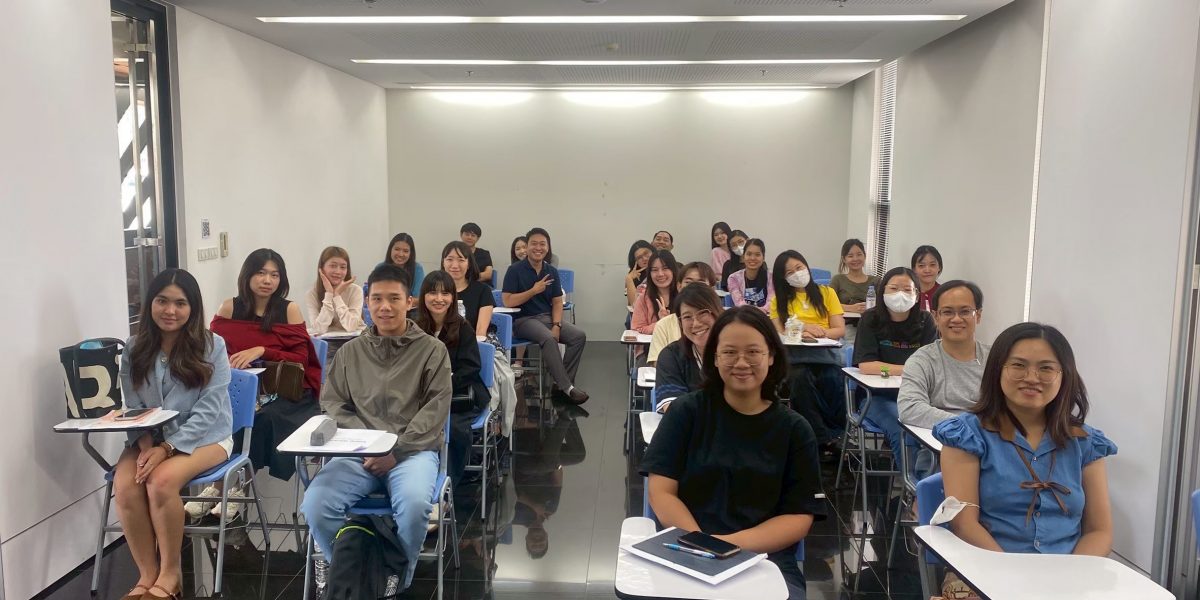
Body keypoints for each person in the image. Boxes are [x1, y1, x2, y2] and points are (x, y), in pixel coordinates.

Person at [642, 307, 825, 600]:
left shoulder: (795, 430)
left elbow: (798, 516)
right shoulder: (686, 412)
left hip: (763, 559)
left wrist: (727, 546)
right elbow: (661, 491)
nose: (741, 362)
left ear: (771, 356)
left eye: (753, 352)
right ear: (714, 357)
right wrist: (701, 543)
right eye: (729, 352)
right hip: (687, 548)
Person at [300, 264, 451, 594]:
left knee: (414, 508)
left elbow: (436, 409)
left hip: (411, 452)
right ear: (367, 303)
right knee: (316, 505)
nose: (385, 307)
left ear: (409, 301)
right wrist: (369, 443)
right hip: (360, 453)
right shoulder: (351, 352)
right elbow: (333, 404)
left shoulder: (431, 351)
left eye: (394, 298)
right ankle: (351, 572)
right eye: (377, 299)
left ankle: (394, 582)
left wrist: (396, 450)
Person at [935, 322, 1116, 556]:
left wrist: (1073, 573)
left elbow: (1099, 531)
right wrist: (1012, 573)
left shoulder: (1086, 443)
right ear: (998, 370)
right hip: (987, 564)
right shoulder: (967, 436)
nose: (1031, 378)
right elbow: (964, 524)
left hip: (1067, 571)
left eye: (1046, 368)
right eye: (1018, 365)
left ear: (1064, 375)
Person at [114, 268, 233, 600]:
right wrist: (146, 445)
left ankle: (170, 574)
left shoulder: (213, 346)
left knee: (161, 481)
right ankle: (146, 575)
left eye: (180, 303)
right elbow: (134, 404)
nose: (170, 310)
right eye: (162, 301)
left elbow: (209, 410)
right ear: (150, 304)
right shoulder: (134, 347)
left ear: (192, 308)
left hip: (207, 437)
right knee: (126, 485)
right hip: (147, 437)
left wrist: (166, 448)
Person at [204, 249, 322, 517]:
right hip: (240, 390)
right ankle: (217, 487)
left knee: (259, 418)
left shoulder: (289, 309)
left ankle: (235, 490)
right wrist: (235, 363)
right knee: (221, 413)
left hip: (286, 393)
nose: (267, 280)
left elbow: (301, 359)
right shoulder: (229, 308)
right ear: (247, 275)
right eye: (261, 273)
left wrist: (262, 351)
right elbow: (214, 354)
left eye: (274, 275)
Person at [853, 267, 938, 472]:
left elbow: (931, 365)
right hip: (876, 397)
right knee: (903, 428)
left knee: (939, 428)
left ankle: (931, 482)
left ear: (917, 294)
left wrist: (897, 370)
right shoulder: (870, 319)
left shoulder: (926, 321)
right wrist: (910, 370)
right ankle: (912, 485)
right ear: (882, 291)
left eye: (907, 289)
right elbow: (867, 365)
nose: (900, 294)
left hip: (918, 396)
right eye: (894, 288)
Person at [415, 270, 490, 486]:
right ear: (423, 296)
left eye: (445, 293)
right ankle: (419, 475)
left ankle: (448, 484)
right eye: (433, 293)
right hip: (423, 395)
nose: (439, 299)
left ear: (453, 297)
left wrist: (443, 385)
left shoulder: (463, 327)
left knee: (454, 429)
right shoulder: (415, 327)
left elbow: (471, 368)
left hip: (458, 393)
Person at [769, 250, 846, 456]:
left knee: (833, 379)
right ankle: (822, 438)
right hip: (795, 358)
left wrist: (818, 332)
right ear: (783, 278)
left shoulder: (827, 293)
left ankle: (833, 434)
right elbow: (779, 332)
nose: (796, 273)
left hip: (825, 355)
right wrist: (803, 329)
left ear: (806, 266)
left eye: (799, 267)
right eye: (789, 272)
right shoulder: (778, 301)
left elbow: (839, 329)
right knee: (800, 379)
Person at [503, 227, 589, 404]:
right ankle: (568, 388)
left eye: (542, 244)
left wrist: (557, 324)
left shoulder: (551, 271)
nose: (538, 248)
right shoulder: (514, 270)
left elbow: (557, 302)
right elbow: (508, 301)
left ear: (548, 248)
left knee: (578, 336)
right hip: (524, 320)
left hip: (547, 318)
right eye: (534, 244)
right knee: (548, 338)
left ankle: (561, 384)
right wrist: (533, 291)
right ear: (527, 247)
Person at [898, 280, 990, 429]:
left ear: (978, 315)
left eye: (965, 311)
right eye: (947, 312)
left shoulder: (995, 359)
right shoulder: (921, 361)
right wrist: (970, 425)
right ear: (936, 317)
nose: (956, 319)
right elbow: (909, 409)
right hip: (940, 438)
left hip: (989, 438)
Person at [653, 283, 722, 413]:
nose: (696, 323)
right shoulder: (671, 356)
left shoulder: (736, 351)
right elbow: (676, 411)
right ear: (680, 323)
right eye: (687, 317)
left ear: (718, 312)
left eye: (703, 313)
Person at [647, 262, 717, 364]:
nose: (694, 288)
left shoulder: (725, 322)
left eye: (701, 283)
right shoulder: (664, 324)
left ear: (712, 289)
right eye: (688, 282)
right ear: (679, 286)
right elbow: (656, 363)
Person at [304, 246, 365, 337]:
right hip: (327, 342)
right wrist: (329, 294)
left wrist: (337, 296)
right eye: (333, 266)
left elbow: (351, 326)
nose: (338, 271)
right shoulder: (312, 294)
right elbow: (318, 329)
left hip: (354, 340)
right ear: (321, 269)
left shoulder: (356, 290)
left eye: (343, 267)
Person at [442, 241, 494, 339]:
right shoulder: (435, 291)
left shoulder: (483, 290)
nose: (455, 265)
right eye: (449, 259)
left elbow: (481, 331)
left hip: (476, 341)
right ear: (443, 263)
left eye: (461, 260)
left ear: (469, 264)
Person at [630, 250, 680, 335]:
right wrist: (661, 323)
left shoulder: (684, 295)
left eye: (665, 268)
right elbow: (637, 329)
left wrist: (670, 323)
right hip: (652, 343)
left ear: (673, 270)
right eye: (655, 270)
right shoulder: (643, 298)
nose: (660, 274)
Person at [829, 238, 880, 314]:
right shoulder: (838, 280)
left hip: (870, 320)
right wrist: (850, 308)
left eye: (859, 254)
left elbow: (883, 306)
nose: (855, 259)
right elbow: (827, 303)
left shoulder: (876, 281)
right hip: (844, 320)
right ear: (844, 259)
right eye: (850, 256)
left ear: (864, 256)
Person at [727, 238, 774, 312]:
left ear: (763, 258)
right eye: (749, 254)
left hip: (766, 316)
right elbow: (739, 303)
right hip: (744, 315)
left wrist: (762, 311)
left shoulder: (771, 277)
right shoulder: (733, 278)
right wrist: (753, 313)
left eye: (757, 255)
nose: (752, 258)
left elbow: (771, 301)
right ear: (743, 257)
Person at [911, 245, 943, 312]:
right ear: (914, 269)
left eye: (932, 265)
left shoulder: (945, 293)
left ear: (939, 267)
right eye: (921, 266)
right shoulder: (909, 294)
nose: (927, 270)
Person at [624, 240, 653, 308]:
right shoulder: (631, 277)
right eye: (639, 257)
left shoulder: (663, 272)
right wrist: (629, 279)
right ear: (635, 262)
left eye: (646, 253)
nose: (644, 258)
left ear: (652, 251)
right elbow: (634, 305)